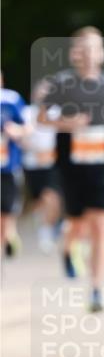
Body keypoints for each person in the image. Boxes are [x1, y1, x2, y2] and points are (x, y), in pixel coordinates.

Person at [39, 27, 104, 311]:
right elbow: (41, 117)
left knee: (100, 224)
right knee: (77, 222)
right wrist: (67, 123)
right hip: (71, 165)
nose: (88, 55)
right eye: (83, 49)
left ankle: (96, 289)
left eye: (93, 49)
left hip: (101, 164)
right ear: (75, 54)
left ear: (102, 53)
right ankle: (67, 249)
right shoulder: (62, 83)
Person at [21, 80, 62, 253]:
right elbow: (20, 136)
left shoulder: (57, 113)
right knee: (39, 201)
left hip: (52, 164)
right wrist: (33, 149)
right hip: (32, 163)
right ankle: (40, 222)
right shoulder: (26, 113)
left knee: (52, 198)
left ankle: (46, 231)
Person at [0, 73, 26, 257]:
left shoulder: (11, 100)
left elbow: (28, 126)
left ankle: (9, 234)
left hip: (8, 167)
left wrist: (17, 131)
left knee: (6, 211)